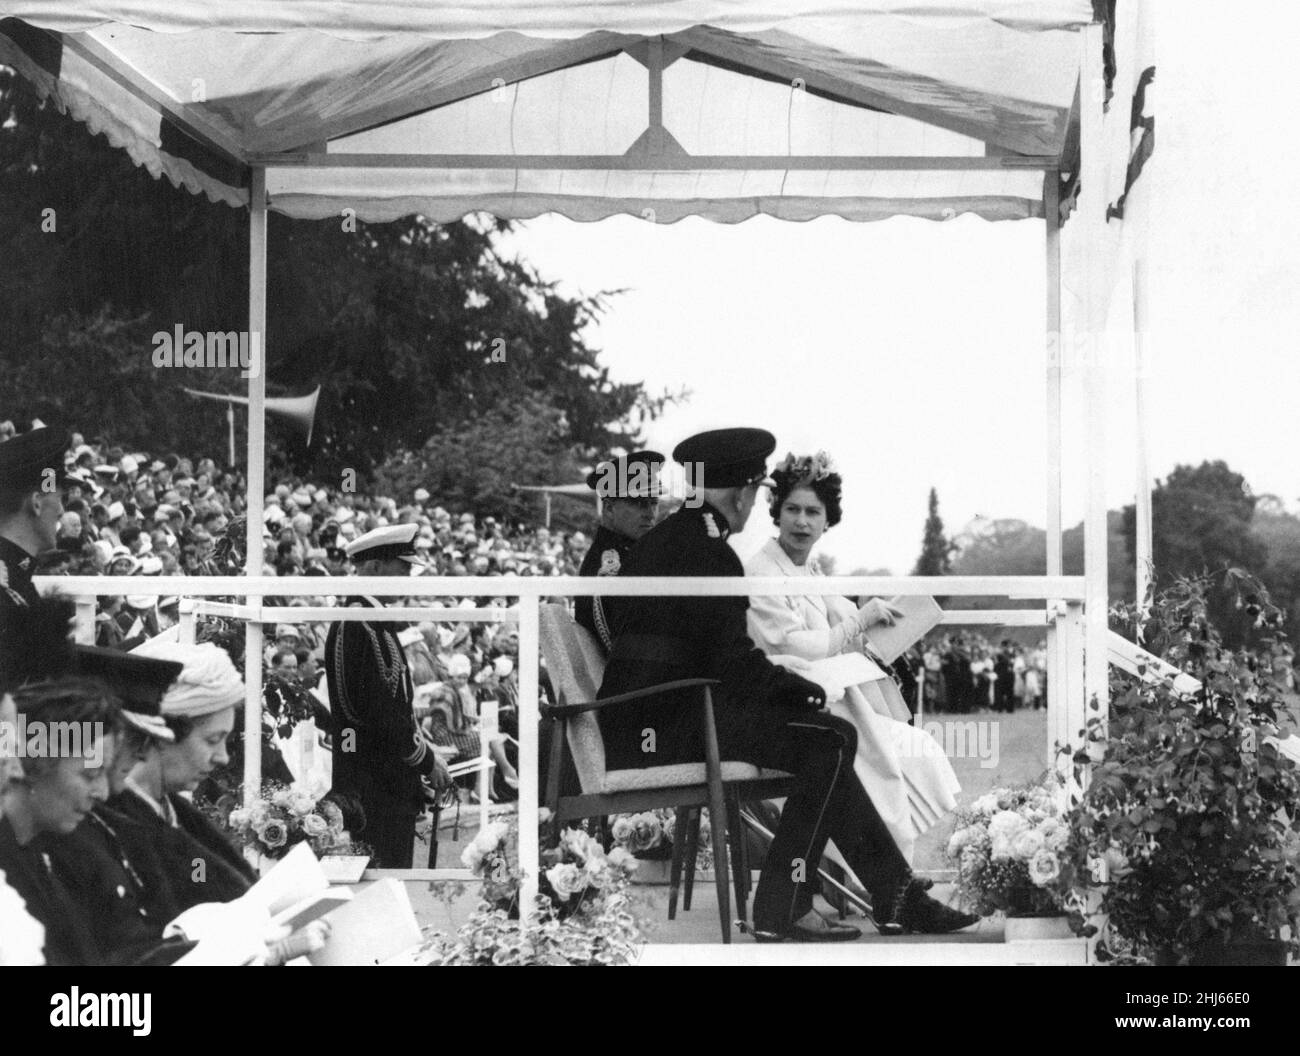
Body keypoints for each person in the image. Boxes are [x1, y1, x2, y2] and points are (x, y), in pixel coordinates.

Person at [598, 427, 973, 942]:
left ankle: (887, 896)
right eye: (757, 491)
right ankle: (789, 906)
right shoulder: (711, 554)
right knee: (828, 740)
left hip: (658, 715)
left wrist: (794, 690)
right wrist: (803, 691)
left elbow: (715, 656)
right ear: (743, 493)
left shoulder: (672, 539)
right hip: (669, 725)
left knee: (829, 739)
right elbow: (735, 661)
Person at [744, 452, 963, 866]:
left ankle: (879, 873)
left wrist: (879, 626)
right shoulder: (762, 571)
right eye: (792, 509)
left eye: (813, 512)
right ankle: (883, 876)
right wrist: (857, 622)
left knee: (916, 747)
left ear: (828, 520)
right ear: (776, 511)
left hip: (835, 694)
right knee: (893, 753)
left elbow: (841, 618)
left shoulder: (809, 568)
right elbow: (790, 645)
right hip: (793, 700)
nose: (802, 522)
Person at [325, 524, 451, 867]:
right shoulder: (357, 621)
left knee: (391, 885)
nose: (407, 577)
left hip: (388, 783)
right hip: (373, 786)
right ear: (375, 566)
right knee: (380, 888)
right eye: (403, 567)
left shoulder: (374, 620)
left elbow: (394, 706)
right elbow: (377, 714)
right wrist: (425, 759)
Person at [109, 640, 258, 910]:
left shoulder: (174, 815)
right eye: (212, 740)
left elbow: (199, 880)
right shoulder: (117, 828)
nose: (222, 757)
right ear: (162, 736)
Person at [574, 450, 665, 653]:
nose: (650, 514)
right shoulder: (609, 566)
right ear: (609, 509)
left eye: (654, 503)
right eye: (640, 503)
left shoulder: (633, 556)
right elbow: (624, 645)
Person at [0, 425, 75, 612]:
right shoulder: (8, 585)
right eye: (59, 499)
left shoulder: (17, 576)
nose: (61, 511)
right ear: (37, 503)